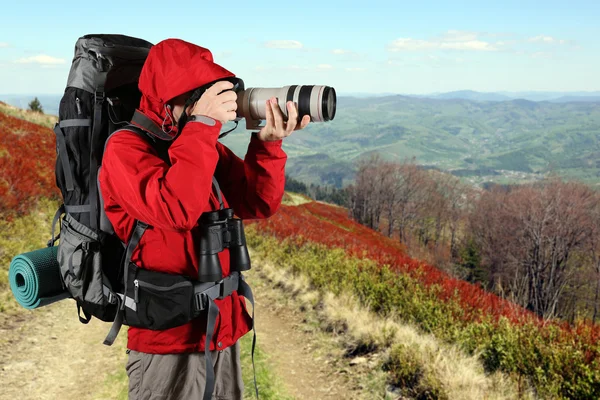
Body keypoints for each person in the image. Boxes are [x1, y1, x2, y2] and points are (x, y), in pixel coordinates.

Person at [98, 38, 310, 400]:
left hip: (222, 330)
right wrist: (203, 125)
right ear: (167, 98)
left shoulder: (197, 144)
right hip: (169, 343)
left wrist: (268, 144)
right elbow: (175, 209)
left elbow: (256, 202)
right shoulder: (125, 149)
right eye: (196, 94)